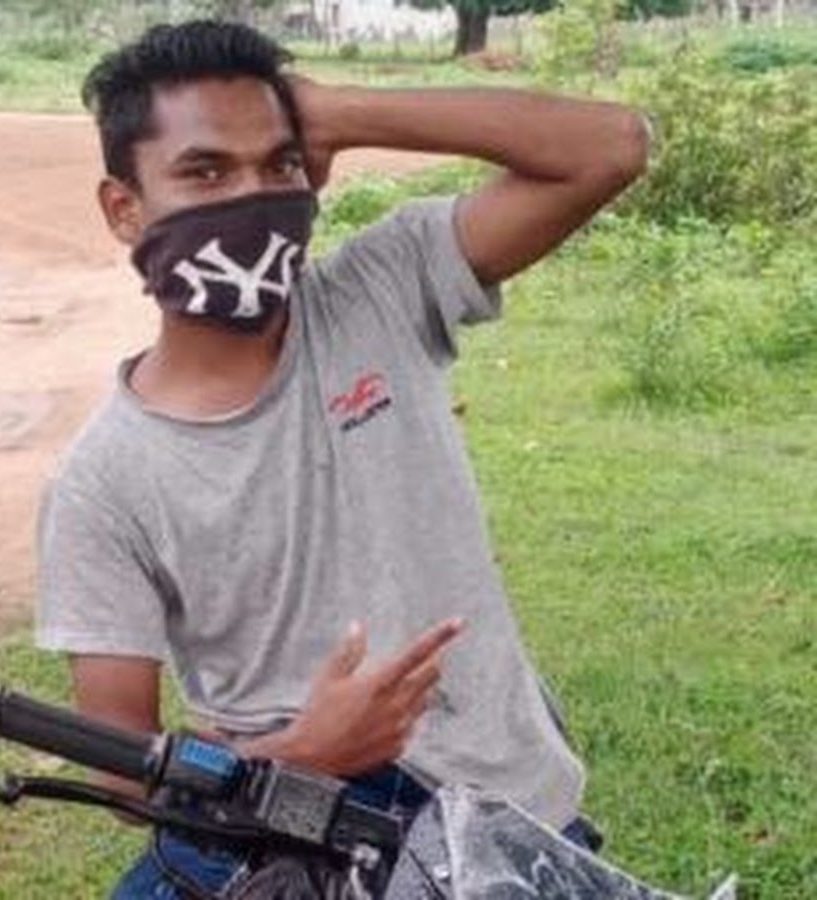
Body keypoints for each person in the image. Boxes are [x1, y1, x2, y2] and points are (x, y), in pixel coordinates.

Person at [34, 19, 649, 898]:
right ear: (123, 208)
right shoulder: (103, 482)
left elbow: (610, 147)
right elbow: (125, 771)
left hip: (511, 825)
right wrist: (300, 753)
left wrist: (343, 112)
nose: (251, 198)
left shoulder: (382, 291)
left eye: (279, 165)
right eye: (206, 172)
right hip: (295, 845)